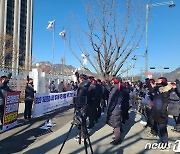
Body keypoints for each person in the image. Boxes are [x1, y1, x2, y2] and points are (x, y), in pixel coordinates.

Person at [106, 76, 123, 145]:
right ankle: (117, 136)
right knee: (117, 123)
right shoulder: (119, 88)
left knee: (116, 124)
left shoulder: (115, 89)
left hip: (115, 109)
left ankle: (117, 139)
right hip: (118, 107)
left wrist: (109, 110)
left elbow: (112, 102)